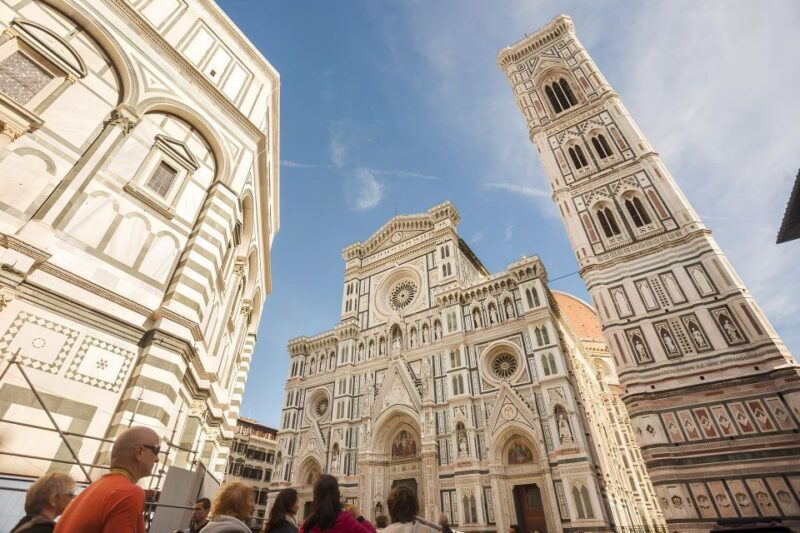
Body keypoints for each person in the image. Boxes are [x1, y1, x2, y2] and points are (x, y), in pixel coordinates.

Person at [55, 426, 161, 533]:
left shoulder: (94, 489)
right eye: (157, 450)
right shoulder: (128, 492)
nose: (157, 459)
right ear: (140, 451)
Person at [299, 474, 375, 533]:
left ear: (315, 497)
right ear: (337, 494)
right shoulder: (345, 520)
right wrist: (359, 518)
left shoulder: (307, 525)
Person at [11, 472, 75, 533]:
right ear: (54, 499)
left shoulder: (24, 525)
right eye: (71, 495)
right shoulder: (46, 530)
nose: (74, 498)